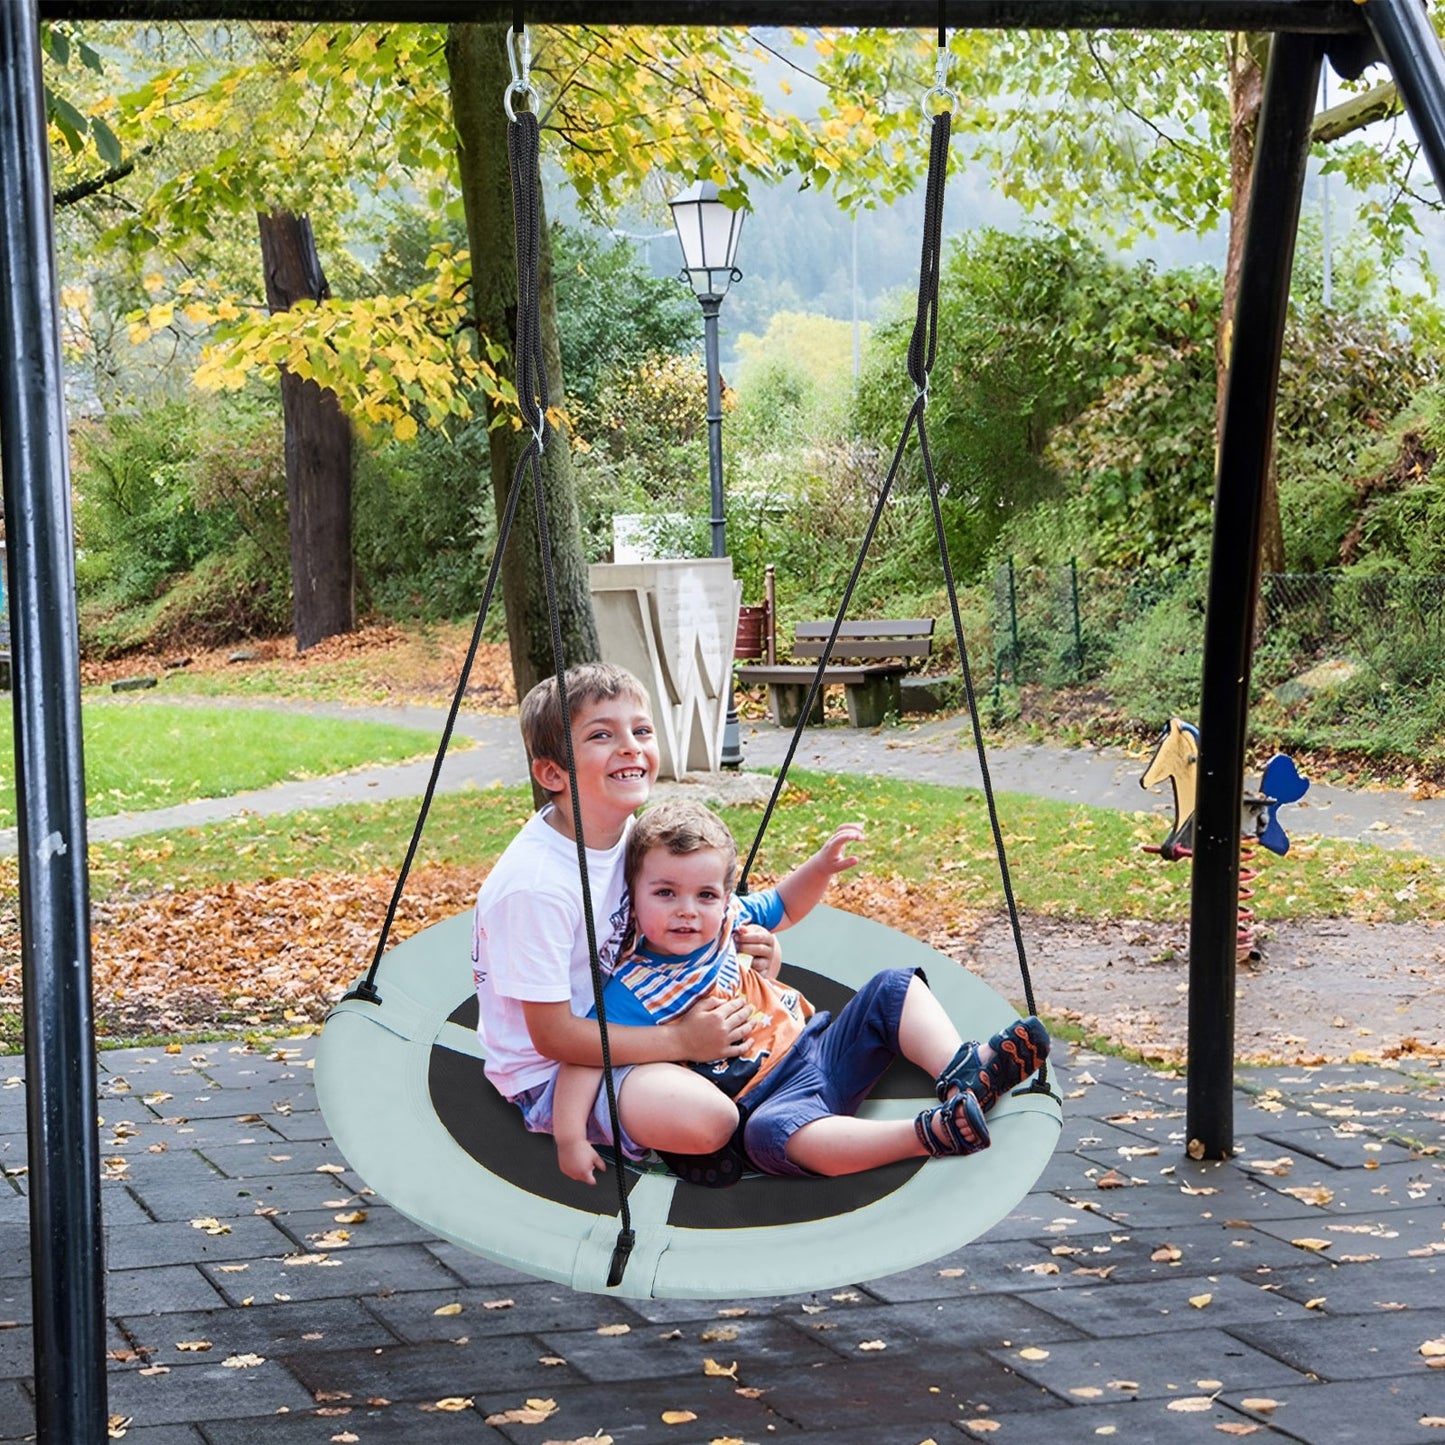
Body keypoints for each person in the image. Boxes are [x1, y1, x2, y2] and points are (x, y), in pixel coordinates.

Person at [552, 798, 1050, 1185]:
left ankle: (964, 1069)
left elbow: (783, 906)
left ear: (724, 898)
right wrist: (570, 1138)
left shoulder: (728, 921)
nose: (688, 910)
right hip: (768, 1100)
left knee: (892, 986)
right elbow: (586, 1056)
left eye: (705, 895)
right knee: (771, 1138)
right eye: (665, 893)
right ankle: (928, 1133)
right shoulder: (634, 987)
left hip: (822, 1044)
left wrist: (819, 868)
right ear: (632, 900)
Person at [471, 663, 777, 1167]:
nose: (631, 747)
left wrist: (748, 943)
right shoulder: (537, 888)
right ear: (552, 773)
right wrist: (680, 1040)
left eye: (641, 731)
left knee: (785, 1037)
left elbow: (680, 911)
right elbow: (554, 1037)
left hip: (638, 1012)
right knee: (710, 1120)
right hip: (554, 1073)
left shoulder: (625, 832)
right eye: (601, 735)